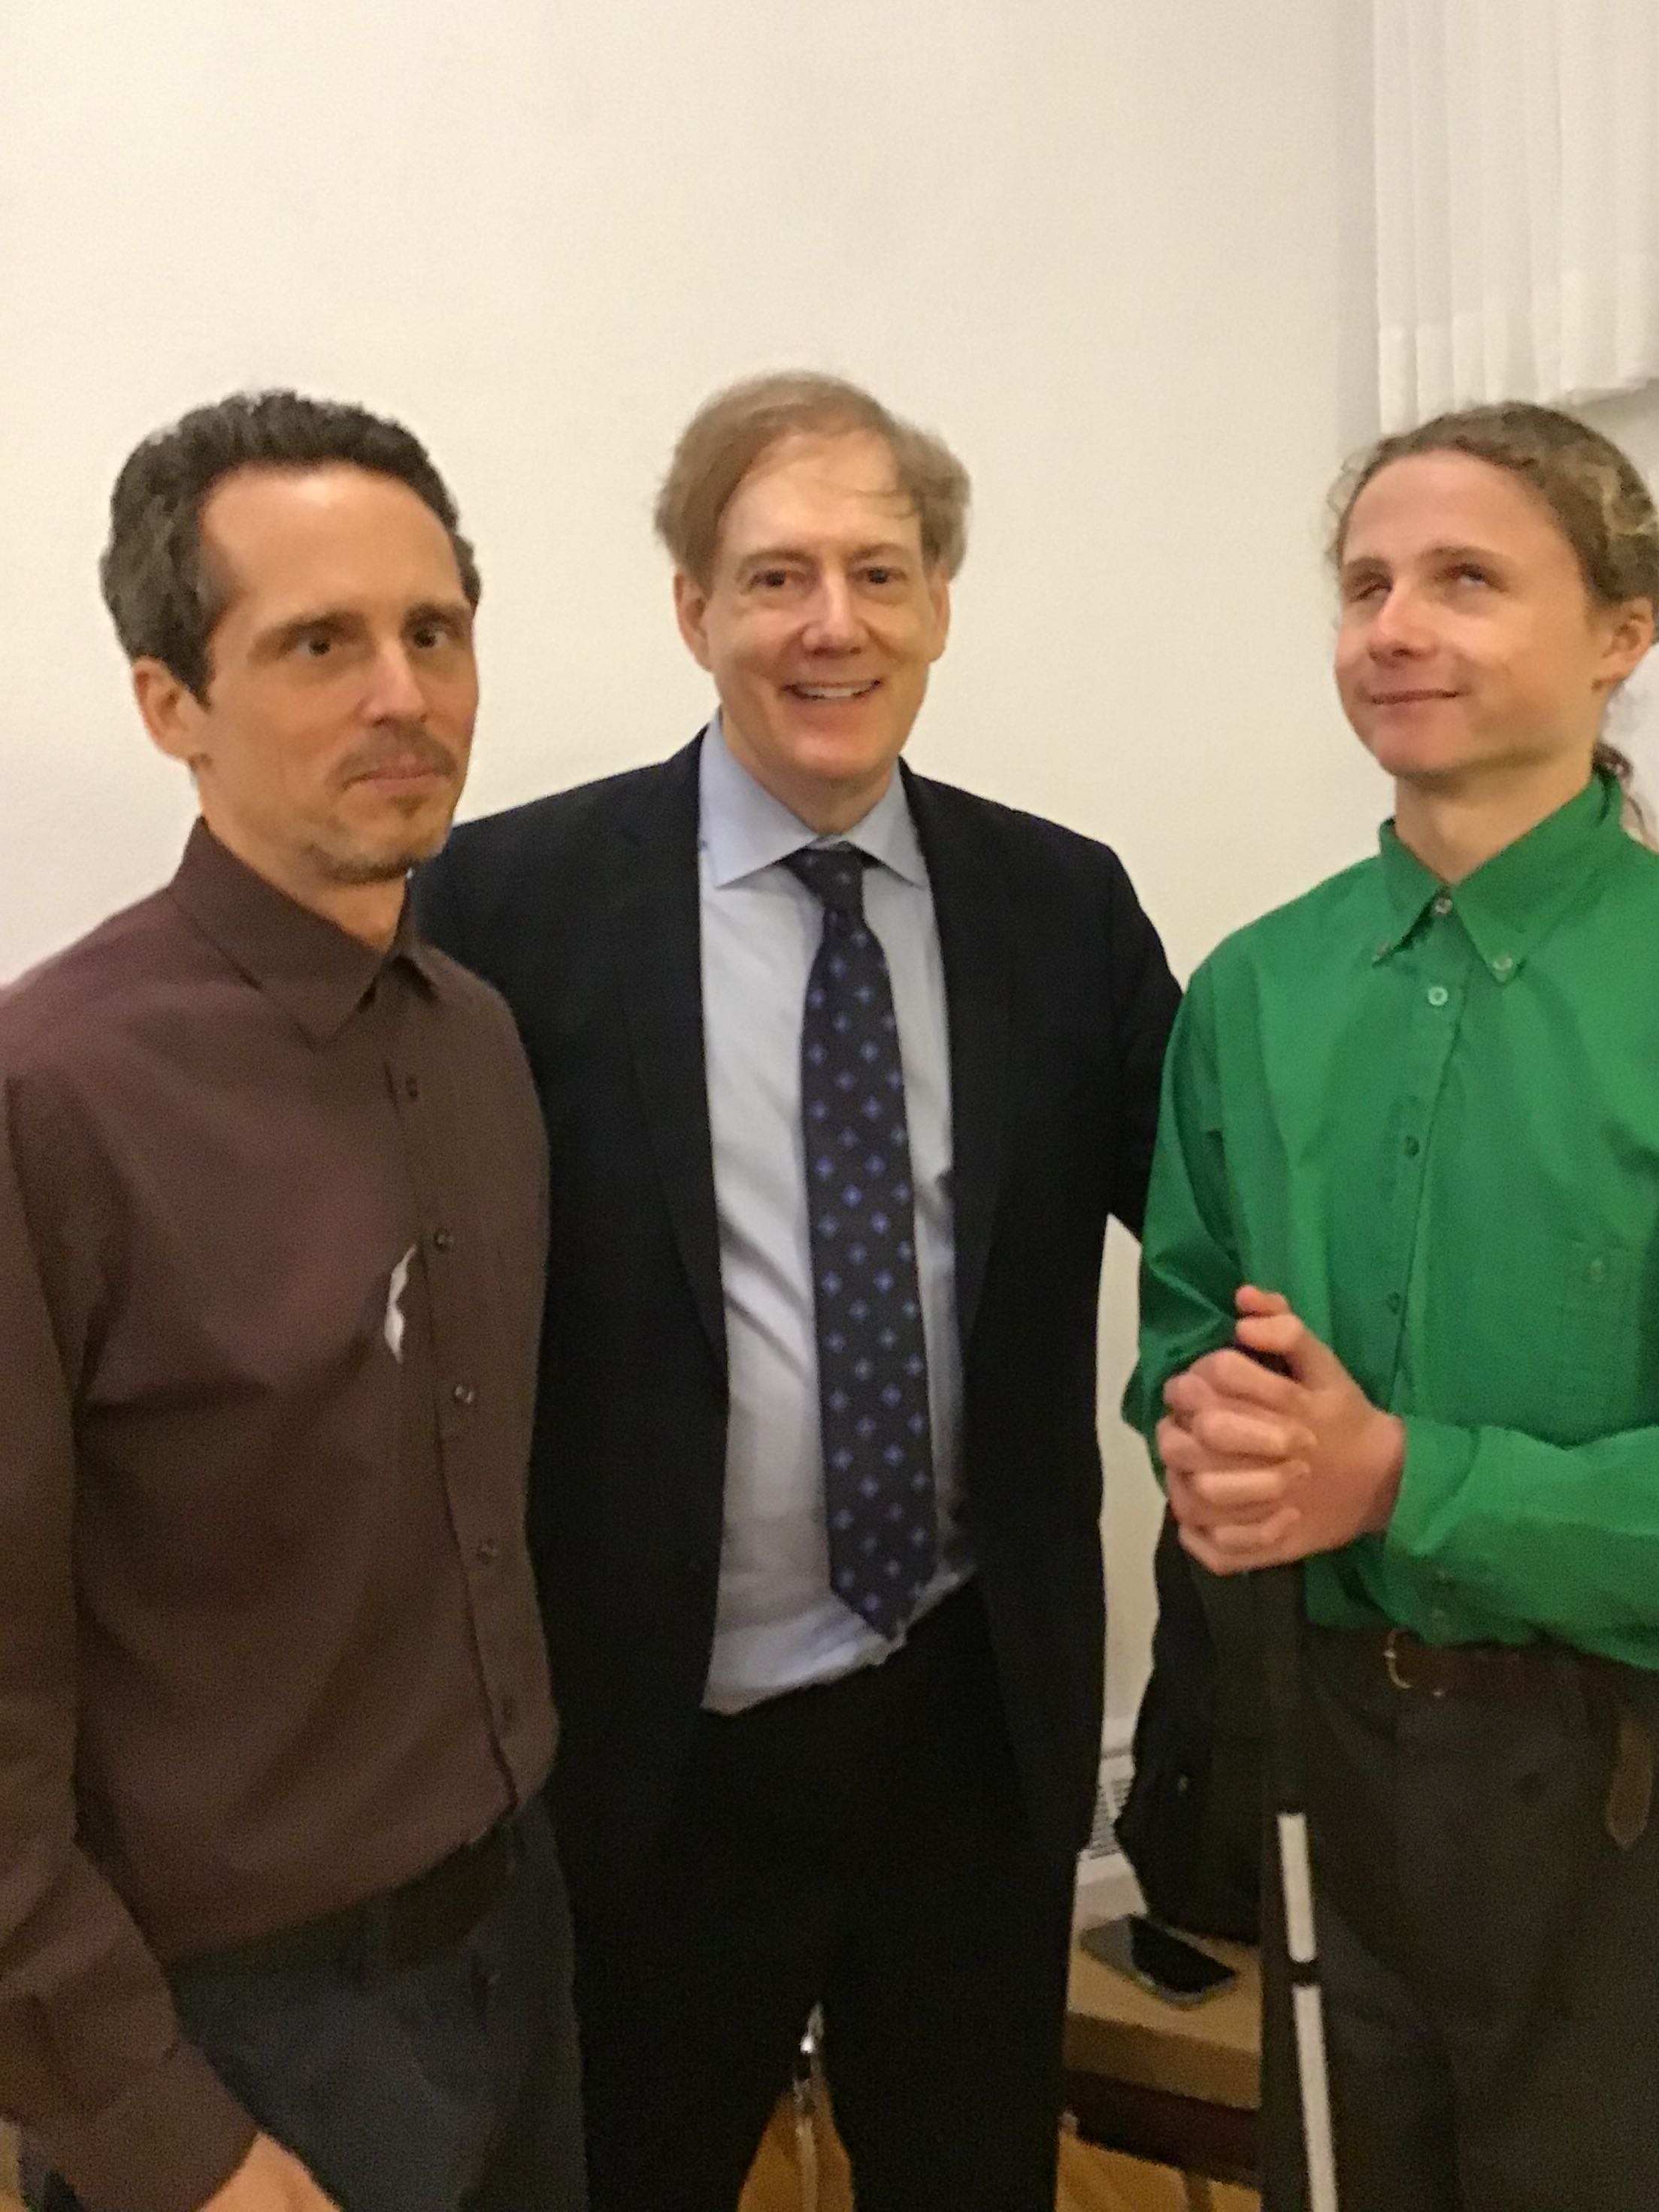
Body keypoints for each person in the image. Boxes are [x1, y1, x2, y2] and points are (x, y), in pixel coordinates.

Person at [414, 370, 1179, 2212]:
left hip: (969, 1733)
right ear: (694, 608)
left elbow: (1217, 1232)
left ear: (938, 606)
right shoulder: (505, 904)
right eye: (775, 577)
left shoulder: (1061, 905)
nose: (833, 623)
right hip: (649, 1753)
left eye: (879, 572)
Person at [0, 392, 586, 2212]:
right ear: (169, 702)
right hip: (233, 2040)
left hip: (516, 1943)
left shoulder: (479, 1040)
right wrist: (161, 2133)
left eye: (435, 631)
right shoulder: (51, 1102)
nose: (404, 694)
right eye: (319, 643)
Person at [1125, 401, 1659, 2212]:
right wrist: (1212, 1432)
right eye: (1366, 585)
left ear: (1623, 630)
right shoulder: (1254, 990)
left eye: (1466, 579)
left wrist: (1405, 1477)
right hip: (1324, 1740)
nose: (1396, 627)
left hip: (1617, 1771)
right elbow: (1186, 1327)